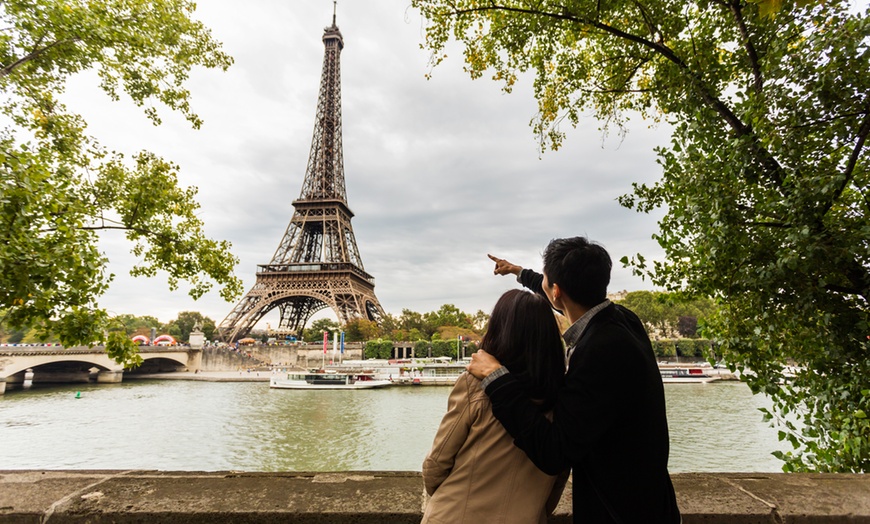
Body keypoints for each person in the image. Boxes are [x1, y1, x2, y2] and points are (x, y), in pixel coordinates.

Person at [468, 237, 681, 523]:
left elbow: (554, 451)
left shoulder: (600, 352)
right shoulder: (623, 320)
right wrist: (519, 272)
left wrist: (496, 379)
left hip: (619, 514)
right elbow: (562, 298)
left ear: (556, 291)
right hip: (651, 503)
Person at [422, 289, 569, 524]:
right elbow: (559, 475)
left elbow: (437, 463)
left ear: (499, 329)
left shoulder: (474, 384)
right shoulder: (565, 397)